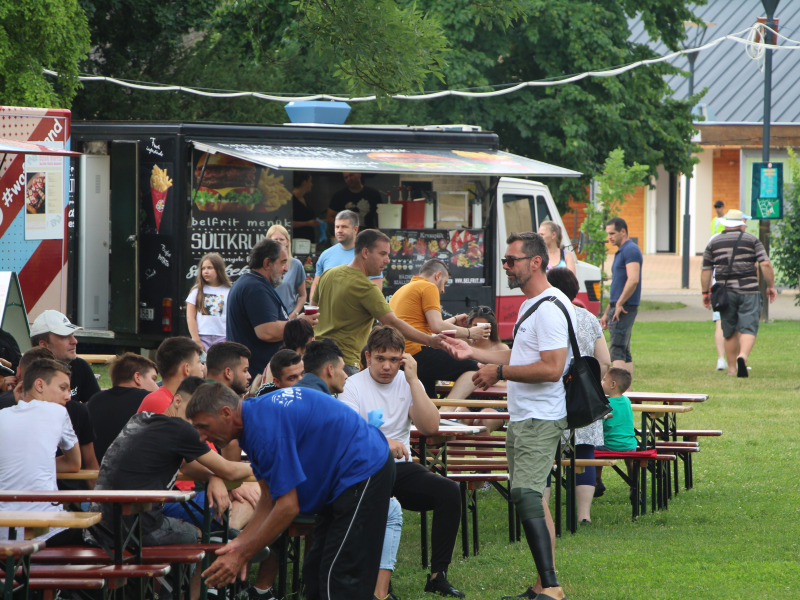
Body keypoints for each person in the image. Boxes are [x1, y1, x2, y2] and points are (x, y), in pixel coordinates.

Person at [441, 232, 574, 600]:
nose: (505, 267)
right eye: (504, 260)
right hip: (524, 416)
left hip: (539, 417)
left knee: (526, 495)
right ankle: (542, 586)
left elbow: (551, 368)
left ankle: (552, 587)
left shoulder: (547, 307)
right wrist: (472, 352)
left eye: (511, 260)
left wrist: (498, 374)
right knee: (537, 498)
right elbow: (520, 357)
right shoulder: (532, 304)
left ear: (535, 262)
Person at [186, 382, 395, 600]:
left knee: (341, 578)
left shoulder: (263, 429)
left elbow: (287, 507)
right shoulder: (253, 420)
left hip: (364, 467)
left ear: (226, 413)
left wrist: (243, 554)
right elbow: (269, 499)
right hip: (341, 480)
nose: (201, 437)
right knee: (314, 576)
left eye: (204, 427)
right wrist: (240, 544)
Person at [86, 377, 253, 600]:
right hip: (133, 529)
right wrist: (266, 467)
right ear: (176, 400)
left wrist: (215, 477)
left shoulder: (142, 419)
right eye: (192, 410)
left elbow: (189, 465)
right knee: (197, 536)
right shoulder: (182, 429)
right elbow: (230, 471)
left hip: (100, 524)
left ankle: (167, 591)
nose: (196, 420)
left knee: (192, 532)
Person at [340, 326, 465, 598]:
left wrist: (413, 380)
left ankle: (437, 575)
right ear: (367, 357)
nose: (387, 366)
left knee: (449, 491)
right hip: (364, 470)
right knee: (384, 506)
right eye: (380, 359)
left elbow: (431, 426)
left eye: (394, 360)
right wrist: (384, 443)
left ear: (403, 360)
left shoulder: (407, 382)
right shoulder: (351, 385)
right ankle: (380, 584)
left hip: (400, 470)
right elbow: (348, 435)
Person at [313, 229, 441, 374]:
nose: (387, 260)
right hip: (344, 363)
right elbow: (392, 323)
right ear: (366, 253)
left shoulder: (329, 274)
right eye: (382, 254)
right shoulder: (366, 287)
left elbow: (312, 311)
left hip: (315, 360)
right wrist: (430, 341)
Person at [545, 267, 611, 522]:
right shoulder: (588, 318)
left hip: (551, 394)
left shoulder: (546, 315)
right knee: (584, 453)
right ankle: (584, 516)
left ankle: (546, 513)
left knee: (548, 456)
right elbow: (604, 360)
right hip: (582, 396)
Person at [0, 358, 81, 542]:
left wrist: (32, 461)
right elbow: (74, 463)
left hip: (3, 532)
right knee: (113, 544)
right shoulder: (58, 412)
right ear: (39, 385)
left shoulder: (2, 416)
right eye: (62, 388)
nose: (68, 396)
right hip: (46, 531)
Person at [389, 259, 489, 400]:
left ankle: (438, 414)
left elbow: (429, 328)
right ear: (437, 275)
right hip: (417, 352)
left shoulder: (402, 290)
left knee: (428, 401)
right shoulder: (428, 287)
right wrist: (470, 332)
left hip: (402, 354)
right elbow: (437, 326)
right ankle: (447, 410)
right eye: (445, 283)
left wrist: (454, 319)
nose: (442, 290)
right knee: (476, 370)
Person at [227, 238, 318, 378]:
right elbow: (267, 331)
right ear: (267, 263)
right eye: (282, 262)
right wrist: (298, 324)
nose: (286, 269)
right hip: (257, 376)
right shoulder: (255, 287)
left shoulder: (253, 283)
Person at [701, 209, 776, 377]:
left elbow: (706, 269)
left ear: (726, 224)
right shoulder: (751, 240)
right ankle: (743, 356)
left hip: (724, 293)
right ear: (741, 225)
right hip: (749, 290)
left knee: (729, 330)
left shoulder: (714, 242)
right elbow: (765, 264)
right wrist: (770, 286)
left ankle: (732, 369)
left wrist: (705, 292)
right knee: (749, 327)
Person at [87, 352, 159, 463]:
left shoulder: (95, 400)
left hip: (96, 474)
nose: (156, 386)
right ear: (137, 377)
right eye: (153, 379)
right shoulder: (149, 400)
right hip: (135, 474)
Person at [599, 217, 642, 376]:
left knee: (616, 350)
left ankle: (619, 393)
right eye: (608, 234)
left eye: (612, 233)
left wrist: (619, 304)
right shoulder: (622, 251)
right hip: (618, 306)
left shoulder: (630, 250)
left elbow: (633, 280)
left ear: (623, 231)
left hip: (624, 308)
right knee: (624, 350)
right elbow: (617, 288)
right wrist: (606, 313)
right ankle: (627, 392)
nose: (609, 237)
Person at [30, 309, 101, 403]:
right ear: (43, 345)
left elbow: (97, 406)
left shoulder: (80, 366)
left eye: (72, 335)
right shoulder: (28, 373)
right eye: (65, 336)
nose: (74, 341)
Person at [309, 210, 381, 301]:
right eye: (337, 227)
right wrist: (313, 310)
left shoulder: (368, 256)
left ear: (355, 229)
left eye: (344, 227)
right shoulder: (326, 255)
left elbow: (376, 292)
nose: (339, 230)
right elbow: (316, 285)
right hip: (327, 313)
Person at [595, 368, 637, 493]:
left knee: (594, 448)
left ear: (613, 385)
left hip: (610, 446)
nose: (601, 382)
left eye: (603, 380)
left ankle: (597, 480)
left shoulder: (606, 404)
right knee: (630, 462)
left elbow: (599, 425)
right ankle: (634, 485)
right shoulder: (626, 401)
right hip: (630, 445)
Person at [139, 336, 204, 414]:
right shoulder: (164, 406)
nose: (202, 367)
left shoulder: (158, 399)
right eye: (199, 362)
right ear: (186, 369)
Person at [186, 252, 232, 351]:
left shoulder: (229, 291)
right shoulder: (197, 291)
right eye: (203, 268)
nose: (206, 271)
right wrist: (197, 340)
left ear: (219, 269)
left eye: (210, 268)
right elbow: (190, 317)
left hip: (223, 337)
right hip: (202, 336)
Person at [267, 224, 308, 320]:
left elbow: (302, 295)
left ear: (287, 242)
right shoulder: (264, 264)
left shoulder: (296, 265)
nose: (278, 242)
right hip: (268, 316)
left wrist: (295, 313)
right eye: (275, 240)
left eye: (281, 239)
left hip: (288, 317)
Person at [291, 172, 318, 242]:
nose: (311, 184)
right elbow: (287, 223)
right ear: (304, 183)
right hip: (297, 241)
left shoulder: (304, 198)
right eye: (310, 182)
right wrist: (307, 223)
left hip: (308, 240)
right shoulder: (290, 200)